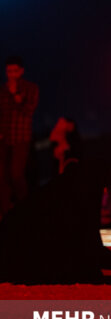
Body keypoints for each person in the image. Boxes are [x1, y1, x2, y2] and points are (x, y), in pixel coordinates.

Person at [0, 56, 39, 219]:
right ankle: (4, 213)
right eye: (9, 71)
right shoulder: (2, 90)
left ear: (21, 71)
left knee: (16, 174)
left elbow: (29, 111)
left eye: (15, 71)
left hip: (21, 138)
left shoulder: (30, 88)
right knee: (2, 177)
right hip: (4, 138)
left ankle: (25, 209)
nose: (12, 74)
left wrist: (16, 95)